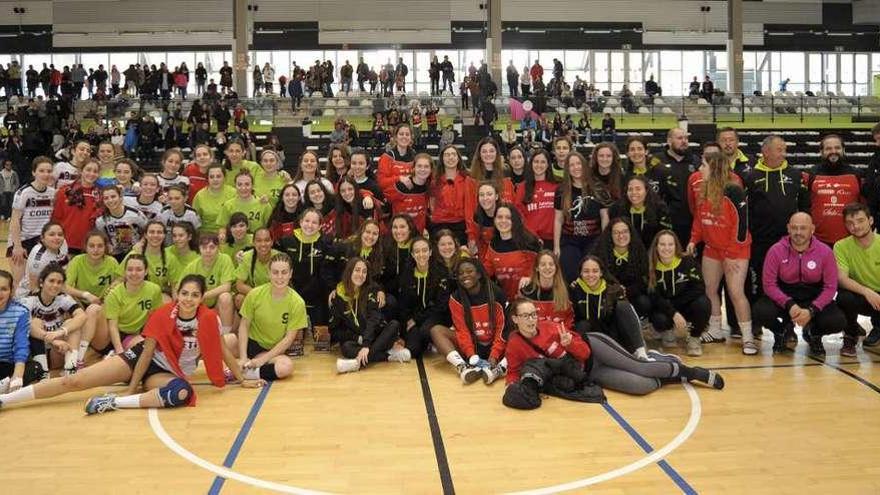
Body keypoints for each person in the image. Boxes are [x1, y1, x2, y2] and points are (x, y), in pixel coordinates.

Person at [0, 275, 259, 414]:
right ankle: (7, 399)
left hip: (165, 374)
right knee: (73, 382)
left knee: (183, 393)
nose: (188, 299)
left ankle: (110, 403)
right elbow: (146, 354)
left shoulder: (208, 319)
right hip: (138, 360)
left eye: (194, 295)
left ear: (202, 298)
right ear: (177, 294)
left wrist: (240, 378)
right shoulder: (162, 315)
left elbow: (222, 349)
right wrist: (132, 387)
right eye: (184, 294)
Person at [501, 298, 724, 410]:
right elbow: (512, 370)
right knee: (642, 386)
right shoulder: (514, 343)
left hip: (595, 349)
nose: (532, 320)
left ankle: (690, 372)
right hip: (589, 372)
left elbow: (585, 351)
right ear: (515, 319)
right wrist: (512, 386)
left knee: (640, 367)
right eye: (526, 316)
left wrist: (569, 344)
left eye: (533, 315)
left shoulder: (550, 327)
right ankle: (667, 372)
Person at [687, 150, 754, 355]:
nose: (700, 169)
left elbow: (741, 226)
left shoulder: (734, 190)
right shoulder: (704, 189)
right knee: (709, 290)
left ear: (714, 168)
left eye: (703, 166)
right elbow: (700, 219)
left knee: (735, 292)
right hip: (712, 249)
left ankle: (748, 337)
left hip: (735, 250)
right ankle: (715, 330)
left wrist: (730, 254)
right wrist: (693, 240)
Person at [754, 212, 849, 355]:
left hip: (813, 297)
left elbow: (830, 287)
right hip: (784, 297)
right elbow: (769, 285)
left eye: (803, 228)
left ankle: (813, 333)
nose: (798, 232)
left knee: (837, 321)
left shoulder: (825, 252)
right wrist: (790, 304)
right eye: (794, 228)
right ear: (788, 228)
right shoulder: (775, 250)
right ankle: (781, 331)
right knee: (760, 311)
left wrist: (811, 310)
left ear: (812, 229)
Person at [743, 135, 810, 305]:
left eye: (785, 149)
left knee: (788, 282)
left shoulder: (795, 175)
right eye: (780, 149)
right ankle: (758, 318)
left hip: (789, 241)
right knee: (757, 281)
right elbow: (746, 210)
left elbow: (805, 206)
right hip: (760, 241)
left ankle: (788, 324)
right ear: (765, 151)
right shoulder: (751, 176)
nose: (784, 153)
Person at [430, 258, 508, 385]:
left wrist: (494, 356)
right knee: (436, 331)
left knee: (517, 336)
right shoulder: (456, 298)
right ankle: (463, 367)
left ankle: (497, 369)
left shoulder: (496, 293)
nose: (465, 275)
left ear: (478, 274)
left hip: (495, 346)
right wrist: (471, 355)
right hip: (473, 346)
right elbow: (462, 331)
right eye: (461, 273)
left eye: (469, 271)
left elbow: (502, 328)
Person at [225, 253, 301, 382]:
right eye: (275, 272)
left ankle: (243, 373)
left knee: (286, 367)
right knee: (225, 340)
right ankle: (239, 366)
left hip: (269, 350)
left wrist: (261, 360)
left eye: (284, 272)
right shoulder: (255, 294)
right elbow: (244, 325)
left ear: (291, 273)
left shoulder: (297, 302)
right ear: (269, 273)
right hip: (248, 344)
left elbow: (288, 339)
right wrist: (243, 357)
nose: (280, 277)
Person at [332, 258, 409, 373]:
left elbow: (373, 319)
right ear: (349, 272)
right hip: (359, 339)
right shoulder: (338, 297)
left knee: (394, 325)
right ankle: (387, 356)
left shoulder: (371, 291)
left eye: (364, 271)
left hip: (376, 336)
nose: (361, 274)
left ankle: (356, 363)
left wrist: (366, 345)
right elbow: (335, 330)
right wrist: (357, 339)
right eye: (357, 270)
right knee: (346, 347)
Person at [567, 255, 650, 359]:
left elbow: (628, 314)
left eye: (595, 271)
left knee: (623, 305)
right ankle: (581, 359)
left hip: (612, 335)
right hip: (590, 337)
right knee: (583, 324)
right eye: (586, 271)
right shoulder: (574, 290)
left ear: (601, 272)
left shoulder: (613, 290)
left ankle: (640, 351)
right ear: (580, 273)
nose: (590, 274)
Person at [276, 208, 333, 354]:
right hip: (293, 293)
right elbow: (266, 249)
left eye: (315, 222)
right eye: (307, 221)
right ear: (300, 222)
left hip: (316, 294)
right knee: (293, 342)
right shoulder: (287, 241)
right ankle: (298, 332)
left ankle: (313, 326)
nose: (310, 225)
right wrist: (244, 252)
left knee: (322, 343)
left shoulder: (326, 243)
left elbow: (326, 272)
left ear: (320, 226)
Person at [648, 230, 710, 355]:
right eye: (662, 244)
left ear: (676, 246)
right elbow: (655, 297)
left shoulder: (687, 261)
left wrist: (677, 307)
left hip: (684, 304)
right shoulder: (650, 266)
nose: (667, 248)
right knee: (659, 318)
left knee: (703, 303)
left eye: (670, 244)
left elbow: (699, 287)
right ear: (656, 246)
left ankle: (694, 338)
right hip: (664, 308)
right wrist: (673, 312)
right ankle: (667, 330)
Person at [20, 264, 87, 377]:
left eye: (59, 282)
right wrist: (53, 340)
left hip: (58, 351)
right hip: (36, 352)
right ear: (41, 282)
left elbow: (82, 316)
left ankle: (70, 368)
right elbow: (26, 326)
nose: (55, 285)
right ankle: (43, 373)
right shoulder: (29, 300)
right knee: (36, 321)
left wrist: (61, 332)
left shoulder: (63, 298)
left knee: (72, 324)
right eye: (51, 281)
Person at [554, 151, 609, 282]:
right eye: (571, 165)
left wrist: (605, 242)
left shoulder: (598, 187)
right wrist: (556, 246)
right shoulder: (561, 190)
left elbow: (604, 217)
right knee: (571, 275)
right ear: (567, 169)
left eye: (578, 163)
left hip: (593, 239)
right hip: (570, 240)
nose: (576, 167)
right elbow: (558, 219)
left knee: (590, 273)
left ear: (584, 165)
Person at [834, 203, 880, 350]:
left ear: (871, 220)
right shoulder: (841, 246)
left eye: (860, 221)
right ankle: (851, 333)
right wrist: (867, 291)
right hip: (862, 296)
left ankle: (878, 328)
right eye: (850, 223)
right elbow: (841, 279)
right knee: (844, 297)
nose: (856, 226)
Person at [7, 156, 55, 287]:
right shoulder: (23, 193)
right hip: (22, 241)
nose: (46, 174)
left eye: (49, 171)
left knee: (39, 284)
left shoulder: (53, 193)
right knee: (20, 284)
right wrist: (17, 246)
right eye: (42, 171)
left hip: (42, 242)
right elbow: (15, 220)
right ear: (34, 172)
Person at [808, 135, 864, 245]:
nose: (833, 151)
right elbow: (805, 205)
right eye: (828, 149)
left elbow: (864, 206)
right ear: (821, 151)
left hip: (852, 241)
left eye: (837, 148)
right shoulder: (811, 174)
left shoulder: (857, 174)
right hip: (818, 242)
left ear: (843, 150)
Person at [649, 128, 701, 246]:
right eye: (679, 138)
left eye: (686, 138)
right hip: (666, 222)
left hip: (691, 222)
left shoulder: (696, 161)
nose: (684, 141)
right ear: (669, 141)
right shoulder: (656, 161)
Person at [594, 218, 652, 322]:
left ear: (631, 233)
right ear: (610, 235)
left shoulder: (639, 250)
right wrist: (614, 289)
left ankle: (638, 322)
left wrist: (626, 291)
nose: (621, 236)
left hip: (632, 294)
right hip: (608, 295)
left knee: (644, 302)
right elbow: (595, 276)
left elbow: (644, 280)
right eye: (616, 233)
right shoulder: (601, 252)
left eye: (625, 232)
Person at [178, 234, 236, 335]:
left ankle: (226, 334)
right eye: (204, 247)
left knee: (225, 297)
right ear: (199, 249)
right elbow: (179, 289)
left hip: (217, 305)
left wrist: (202, 296)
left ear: (218, 248)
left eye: (212, 247)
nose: (208, 251)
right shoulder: (192, 266)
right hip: (199, 305)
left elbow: (227, 286)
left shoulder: (225, 259)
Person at [483, 204, 541, 301]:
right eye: (499, 217)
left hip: (530, 298)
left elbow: (543, 268)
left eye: (508, 218)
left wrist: (531, 278)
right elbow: (486, 271)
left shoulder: (529, 243)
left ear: (514, 220)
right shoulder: (493, 244)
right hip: (505, 300)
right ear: (494, 220)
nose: (503, 221)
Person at [50, 159, 101, 254]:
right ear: (81, 171)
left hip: (88, 246)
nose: (91, 174)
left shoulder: (100, 195)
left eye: (95, 171)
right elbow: (56, 218)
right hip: (65, 243)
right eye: (88, 170)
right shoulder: (65, 191)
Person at [428, 145, 476, 245]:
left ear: (458, 158)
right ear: (442, 159)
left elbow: (470, 208)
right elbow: (432, 204)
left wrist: (471, 234)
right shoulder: (434, 181)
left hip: (460, 226)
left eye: (453, 154)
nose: (450, 157)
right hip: (439, 225)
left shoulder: (467, 179)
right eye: (447, 155)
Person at [519, 251, 574, 328]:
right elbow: (521, 321)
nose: (547, 267)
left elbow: (570, 320)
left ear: (556, 267)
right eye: (543, 264)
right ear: (537, 268)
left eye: (551, 264)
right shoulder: (526, 292)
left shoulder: (567, 291)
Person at [0, 270, 34, 394]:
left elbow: (21, 344)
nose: (0, 293)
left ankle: (7, 389)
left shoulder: (20, 312)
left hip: (9, 363)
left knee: (34, 369)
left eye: (4, 289)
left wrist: (18, 375)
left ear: (11, 291)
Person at [516, 149, 558, 248]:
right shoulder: (522, 187)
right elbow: (518, 215)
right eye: (536, 161)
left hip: (552, 240)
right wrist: (532, 236)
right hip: (530, 240)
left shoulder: (556, 187)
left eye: (543, 162)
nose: (539, 165)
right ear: (531, 164)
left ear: (548, 165)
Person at [16, 222, 69, 298]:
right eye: (51, 234)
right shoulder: (39, 258)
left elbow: (64, 265)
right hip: (29, 294)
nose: (57, 237)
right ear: (42, 238)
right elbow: (34, 287)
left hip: (54, 288)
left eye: (60, 234)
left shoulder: (63, 243)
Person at [95, 185, 147, 261]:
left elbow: (148, 231)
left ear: (120, 197)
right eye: (106, 198)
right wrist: (108, 246)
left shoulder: (136, 214)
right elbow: (103, 239)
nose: (110, 200)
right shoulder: (101, 221)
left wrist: (141, 243)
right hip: (115, 255)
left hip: (135, 253)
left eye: (113, 197)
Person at [193, 164, 236, 234]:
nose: (215, 179)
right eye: (211, 177)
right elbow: (195, 221)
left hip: (229, 234)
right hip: (206, 236)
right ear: (208, 179)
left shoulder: (234, 193)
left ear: (224, 177)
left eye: (218, 176)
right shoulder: (200, 196)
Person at [377, 123, 415, 199]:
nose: (404, 136)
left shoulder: (416, 157)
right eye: (401, 134)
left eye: (407, 134)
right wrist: (400, 178)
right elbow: (381, 182)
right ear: (396, 137)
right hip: (393, 201)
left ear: (411, 138)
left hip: (411, 199)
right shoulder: (386, 157)